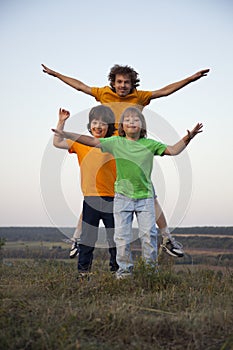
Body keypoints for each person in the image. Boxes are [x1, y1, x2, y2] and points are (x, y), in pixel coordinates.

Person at [43, 63, 209, 257]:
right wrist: (56, 74)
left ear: (133, 84)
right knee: (94, 195)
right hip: (109, 146)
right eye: (119, 82)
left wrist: (190, 79)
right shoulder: (103, 93)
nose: (122, 86)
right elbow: (80, 86)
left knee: (148, 194)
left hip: (129, 151)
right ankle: (78, 238)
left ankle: (166, 238)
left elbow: (164, 91)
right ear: (113, 83)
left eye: (127, 82)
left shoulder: (140, 97)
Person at [52, 106, 203, 278]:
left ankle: (149, 273)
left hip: (143, 198)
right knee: (118, 238)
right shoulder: (115, 143)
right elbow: (90, 141)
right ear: (122, 127)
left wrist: (189, 137)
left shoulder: (149, 144)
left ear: (142, 125)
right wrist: (66, 132)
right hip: (119, 198)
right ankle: (121, 273)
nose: (131, 122)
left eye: (136, 120)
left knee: (148, 237)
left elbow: (174, 150)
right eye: (128, 120)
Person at [53, 105, 119, 277]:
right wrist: (61, 123)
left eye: (103, 123)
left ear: (109, 127)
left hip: (113, 198)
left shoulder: (113, 143)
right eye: (95, 122)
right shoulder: (81, 143)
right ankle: (83, 272)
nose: (98, 126)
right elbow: (57, 142)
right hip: (91, 199)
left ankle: (117, 270)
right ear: (90, 125)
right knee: (88, 238)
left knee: (115, 238)